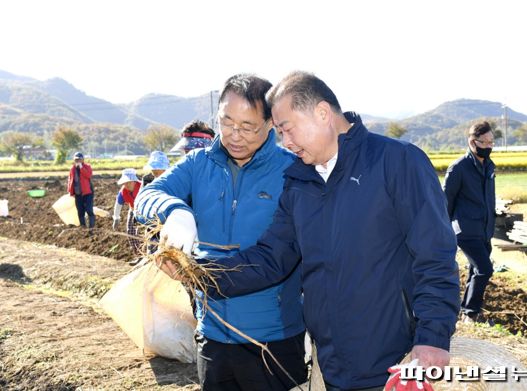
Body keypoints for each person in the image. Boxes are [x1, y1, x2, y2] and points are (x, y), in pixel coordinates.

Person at [157, 71, 460, 390]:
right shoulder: (300, 181)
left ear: (322, 113)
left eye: (287, 129)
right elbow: (271, 259)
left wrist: (433, 337)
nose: (285, 142)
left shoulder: (395, 162)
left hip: (393, 364)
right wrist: (198, 274)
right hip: (331, 364)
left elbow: (435, 255)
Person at [136, 74, 307, 390]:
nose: (234, 135)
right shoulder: (199, 164)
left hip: (272, 342)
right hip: (212, 336)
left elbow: (276, 260)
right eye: (226, 122)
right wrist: (176, 212)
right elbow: (146, 196)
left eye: (247, 126)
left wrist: (194, 274)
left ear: (271, 123)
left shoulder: (291, 173)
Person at [443, 120, 496, 324]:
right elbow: (445, 200)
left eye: (492, 142)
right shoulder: (459, 168)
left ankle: (468, 313)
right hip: (465, 229)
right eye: (485, 142)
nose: (489, 146)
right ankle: (471, 312)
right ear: (473, 142)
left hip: (484, 229)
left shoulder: (490, 166)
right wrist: (444, 230)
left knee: (476, 271)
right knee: (485, 269)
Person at [112, 168, 142, 255]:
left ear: (134, 181)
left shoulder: (142, 187)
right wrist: (116, 218)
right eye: (125, 183)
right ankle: (138, 255)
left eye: (129, 182)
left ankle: (146, 255)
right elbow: (118, 205)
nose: (127, 185)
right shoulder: (123, 192)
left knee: (140, 233)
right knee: (130, 232)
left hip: (144, 211)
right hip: (133, 210)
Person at [67, 152, 95, 231]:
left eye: (79, 159)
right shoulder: (72, 169)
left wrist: (81, 168)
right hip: (78, 194)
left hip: (88, 193)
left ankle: (92, 227)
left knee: (89, 210)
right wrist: (70, 191)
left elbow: (88, 175)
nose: (78, 161)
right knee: (80, 211)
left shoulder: (87, 167)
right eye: (76, 159)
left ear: (83, 160)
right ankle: (83, 228)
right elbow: (70, 180)